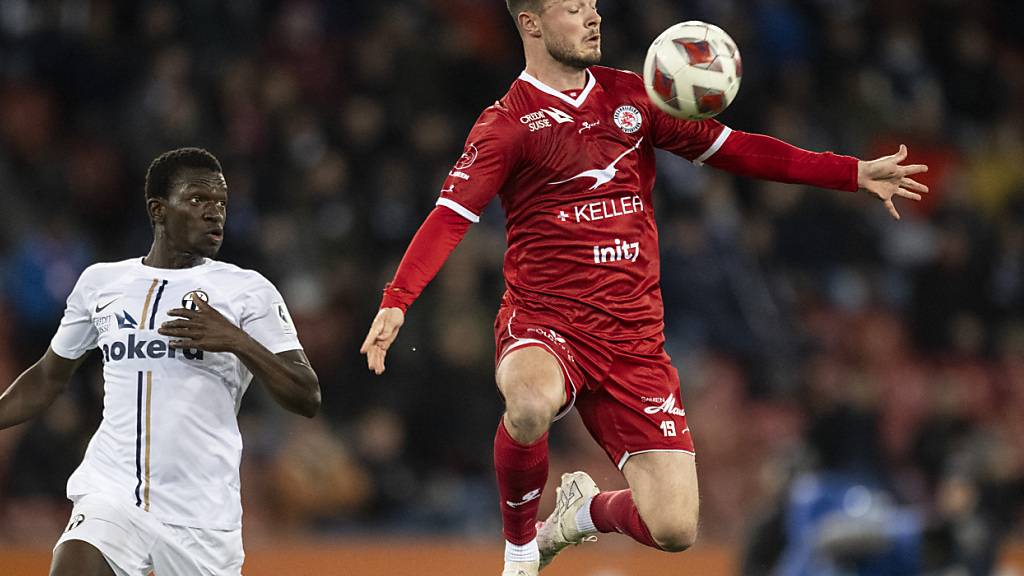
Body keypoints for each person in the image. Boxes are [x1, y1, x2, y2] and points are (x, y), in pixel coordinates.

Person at [359, 2, 928, 575]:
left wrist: (850, 172)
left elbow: (735, 149)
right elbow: (451, 214)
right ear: (531, 23)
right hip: (546, 323)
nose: (592, 16)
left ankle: (580, 515)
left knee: (675, 528)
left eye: (593, 4)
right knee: (529, 404)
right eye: (572, 6)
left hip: (634, 344)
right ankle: (520, 551)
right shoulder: (507, 124)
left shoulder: (631, 97)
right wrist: (397, 299)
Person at [0, 147, 321, 576]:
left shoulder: (248, 291)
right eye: (197, 200)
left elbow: (307, 395)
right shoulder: (101, 284)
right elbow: (47, 378)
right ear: (158, 209)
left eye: (221, 204)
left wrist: (237, 340)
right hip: (111, 493)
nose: (214, 213)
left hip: (201, 512)